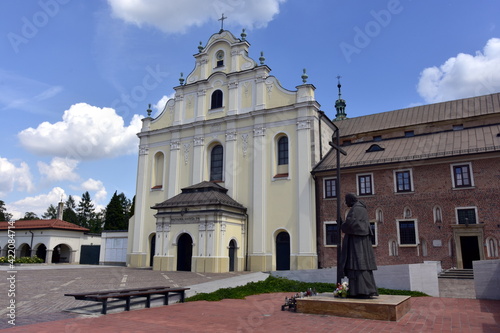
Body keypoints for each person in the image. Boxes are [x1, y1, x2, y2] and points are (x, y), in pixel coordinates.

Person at [339, 193, 378, 298]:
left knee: (358, 265)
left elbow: (351, 224)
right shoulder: (360, 208)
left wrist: (342, 225)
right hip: (358, 241)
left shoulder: (356, 209)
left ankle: (362, 291)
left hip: (357, 243)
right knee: (357, 266)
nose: (345, 203)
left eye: (346, 200)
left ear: (351, 200)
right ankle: (357, 291)